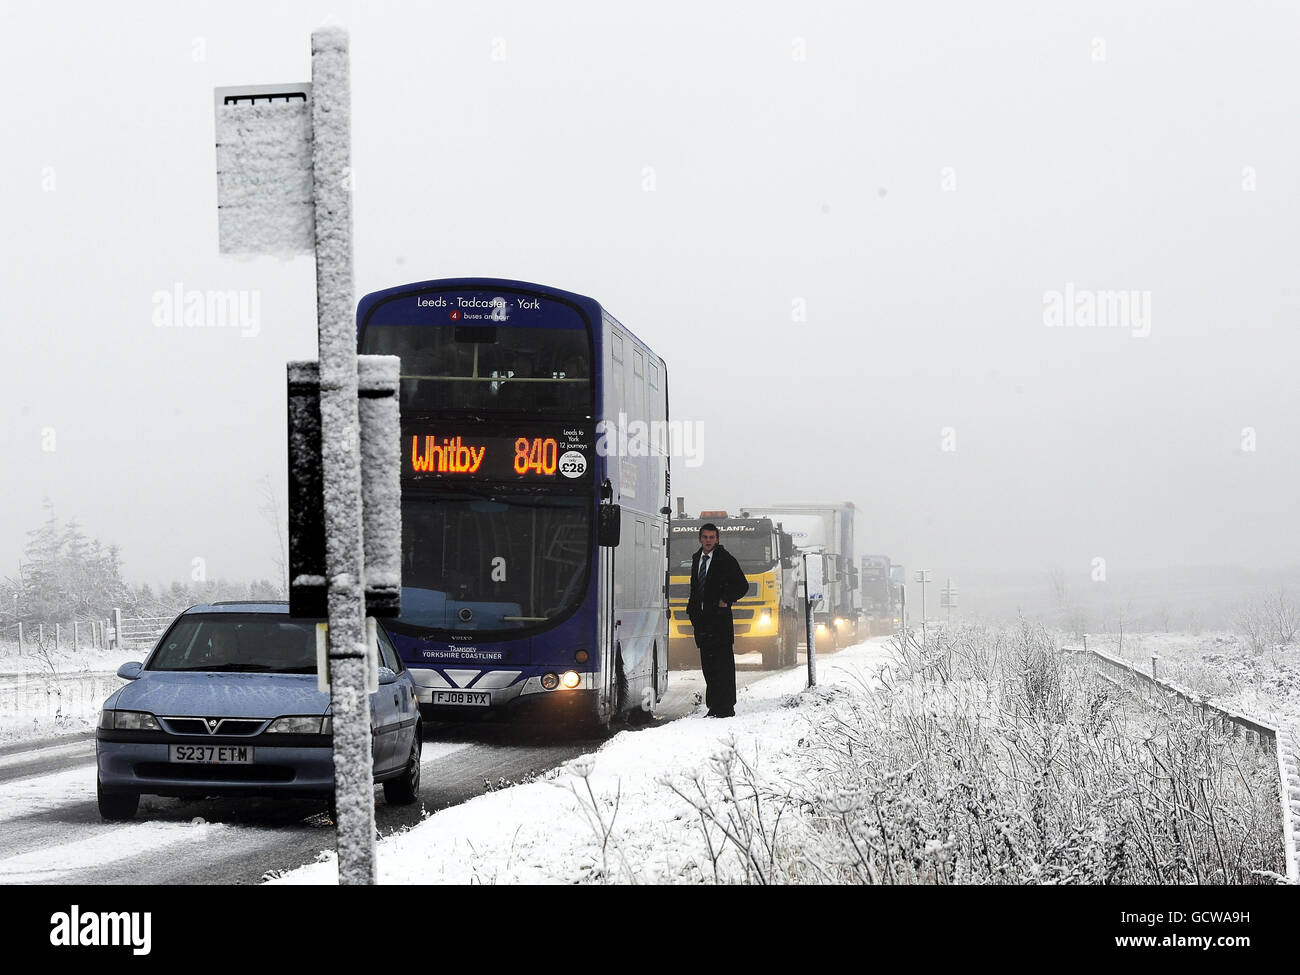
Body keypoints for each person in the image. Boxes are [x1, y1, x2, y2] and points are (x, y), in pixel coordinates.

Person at [686, 523, 750, 717]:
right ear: (700, 539)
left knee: (723, 666)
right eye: (705, 537)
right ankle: (714, 706)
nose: (708, 541)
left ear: (717, 539)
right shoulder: (697, 559)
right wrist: (692, 611)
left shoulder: (725, 559)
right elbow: (695, 588)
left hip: (720, 622)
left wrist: (726, 599)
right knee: (708, 666)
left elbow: (742, 585)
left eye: (712, 537)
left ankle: (726, 707)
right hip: (702, 622)